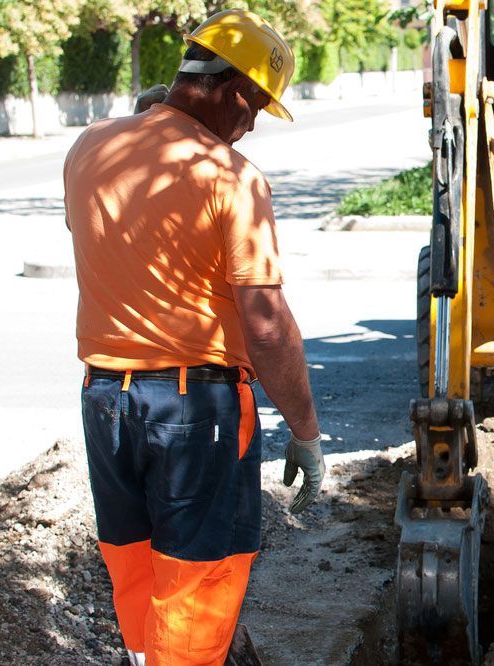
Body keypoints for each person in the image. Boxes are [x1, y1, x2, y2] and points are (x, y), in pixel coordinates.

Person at [63, 9, 323, 665]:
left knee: (137, 571)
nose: (254, 122)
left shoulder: (90, 149)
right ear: (233, 89)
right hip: (195, 411)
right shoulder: (231, 177)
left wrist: (156, 121)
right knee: (199, 585)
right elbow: (266, 328)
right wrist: (306, 431)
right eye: (258, 104)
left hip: (105, 402)